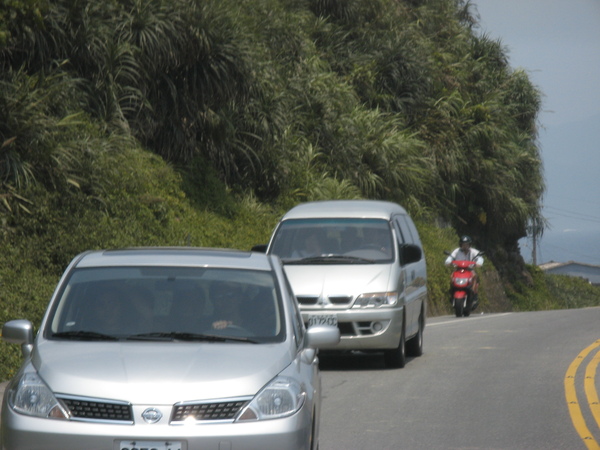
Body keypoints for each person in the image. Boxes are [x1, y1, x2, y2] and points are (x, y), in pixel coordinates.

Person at [445, 235, 483, 307]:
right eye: (463, 244)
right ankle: (452, 291)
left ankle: (473, 293)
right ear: (460, 245)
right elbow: (450, 258)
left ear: (469, 245)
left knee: (475, 276)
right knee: (452, 276)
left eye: (467, 244)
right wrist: (448, 262)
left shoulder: (473, 251)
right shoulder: (456, 251)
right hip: (458, 269)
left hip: (469, 270)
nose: (465, 246)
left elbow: (480, 258)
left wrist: (478, 263)